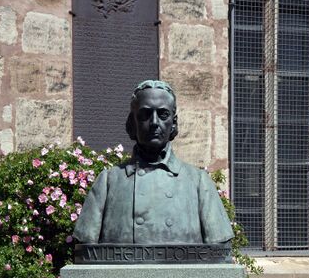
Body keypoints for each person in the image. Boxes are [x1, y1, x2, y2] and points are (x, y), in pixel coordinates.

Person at [73, 80, 234, 245]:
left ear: (174, 123)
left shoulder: (198, 182)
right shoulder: (108, 181)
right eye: (145, 115)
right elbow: (85, 250)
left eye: (163, 114)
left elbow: (219, 251)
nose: (155, 122)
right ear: (132, 123)